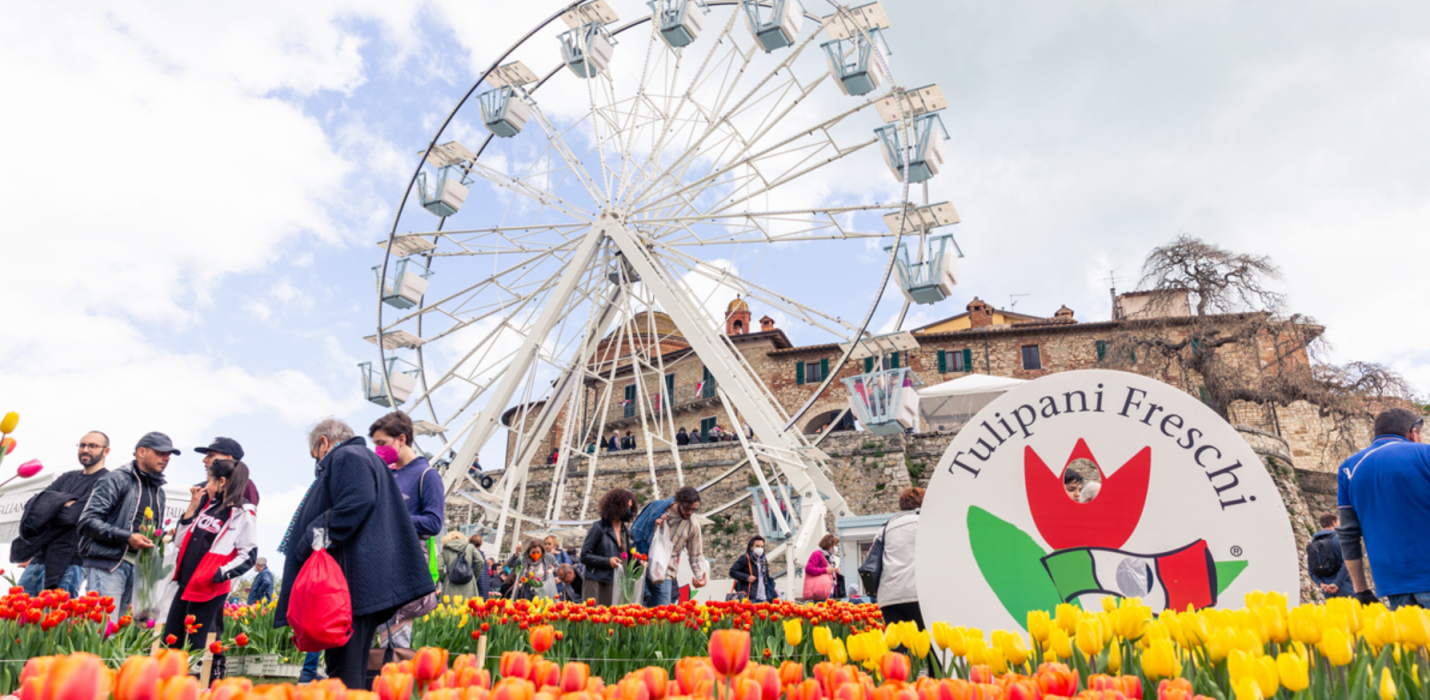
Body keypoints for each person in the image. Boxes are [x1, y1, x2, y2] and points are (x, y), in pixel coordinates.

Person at [275, 418, 435, 691]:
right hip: (360, 583)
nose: (317, 464)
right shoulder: (363, 458)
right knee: (352, 666)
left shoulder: (347, 455)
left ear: (324, 442)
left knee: (343, 670)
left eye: (315, 456)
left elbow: (355, 502)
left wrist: (309, 540)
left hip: (352, 584)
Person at [165, 458, 257, 675]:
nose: (206, 486)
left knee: (194, 645)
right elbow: (179, 541)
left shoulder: (243, 513)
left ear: (222, 482)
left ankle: (191, 689)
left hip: (207, 588)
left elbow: (249, 555)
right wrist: (192, 506)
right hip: (186, 583)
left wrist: (219, 573)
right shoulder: (208, 505)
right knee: (170, 639)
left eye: (210, 481)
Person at [79, 431, 177, 624]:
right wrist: (127, 537)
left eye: (168, 455)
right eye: (160, 453)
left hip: (139, 569)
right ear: (141, 452)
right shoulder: (116, 479)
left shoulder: (159, 491)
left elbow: (148, 531)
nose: (166, 459)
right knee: (102, 630)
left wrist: (164, 536)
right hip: (109, 565)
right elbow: (87, 521)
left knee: (120, 634)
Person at [1337, 408, 1430, 608]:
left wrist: (1361, 589)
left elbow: (1348, 534)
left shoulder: (1348, 468)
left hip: (1392, 584)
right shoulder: (1425, 454)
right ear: (1413, 433)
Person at [15, 431, 111, 596]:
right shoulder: (67, 477)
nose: (85, 449)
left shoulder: (107, 481)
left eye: (92, 446)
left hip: (70, 562)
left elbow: (72, 516)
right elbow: (33, 506)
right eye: (82, 445)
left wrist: (51, 506)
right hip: (37, 559)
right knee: (16, 617)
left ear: (106, 451)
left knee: (55, 619)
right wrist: (62, 503)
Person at [369, 412, 445, 541]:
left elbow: (433, 523)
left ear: (401, 439)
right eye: (375, 444)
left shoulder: (427, 475)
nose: (377, 449)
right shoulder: (383, 475)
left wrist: (390, 518)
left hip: (406, 555)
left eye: (381, 443)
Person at [648, 486, 708, 606]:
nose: (690, 513)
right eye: (687, 509)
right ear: (677, 501)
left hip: (665, 574)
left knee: (662, 617)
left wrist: (700, 577)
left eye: (693, 509)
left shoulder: (693, 525)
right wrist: (653, 527)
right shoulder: (658, 511)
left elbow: (695, 555)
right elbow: (638, 535)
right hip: (642, 569)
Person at [876, 487, 925, 629]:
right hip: (918, 595)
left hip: (890, 597)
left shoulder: (885, 528)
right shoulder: (925, 523)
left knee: (898, 647)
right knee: (925, 646)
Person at [581, 488, 636, 605]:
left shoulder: (628, 533)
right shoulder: (598, 528)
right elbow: (584, 556)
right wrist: (607, 561)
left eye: (630, 508)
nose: (628, 511)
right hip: (597, 582)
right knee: (596, 619)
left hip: (619, 583)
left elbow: (630, 559)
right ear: (614, 506)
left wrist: (639, 563)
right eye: (626, 507)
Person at [1308, 513, 1352, 599]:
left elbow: (1311, 569)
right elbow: (1348, 563)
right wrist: (1336, 584)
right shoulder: (1339, 538)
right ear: (1333, 523)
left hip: (1327, 590)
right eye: (1339, 523)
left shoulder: (1313, 543)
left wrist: (1321, 584)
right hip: (1345, 586)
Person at [730, 536, 778, 602]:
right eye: (757, 546)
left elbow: (766, 577)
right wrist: (747, 577)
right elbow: (732, 571)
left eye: (762, 546)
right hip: (749, 596)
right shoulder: (745, 558)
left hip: (763, 597)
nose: (760, 548)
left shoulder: (763, 560)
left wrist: (772, 590)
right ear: (751, 547)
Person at [438, 530, 482, 601]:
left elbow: (439, 568)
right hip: (469, 583)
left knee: (450, 610)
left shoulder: (445, 549)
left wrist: (444, 580)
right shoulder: (470, 547)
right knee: (469, 608)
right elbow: (480, 561)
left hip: (450, 584)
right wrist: (474, 575)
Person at [803, 534, 839, 602]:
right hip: (820, 590)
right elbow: (808, 569)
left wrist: (836, 572)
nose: (836, 546)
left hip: (829, 590)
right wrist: (825, 570)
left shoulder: (831, 557)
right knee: (821, 611)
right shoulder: (817, 554)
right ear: (829, 544)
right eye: (835, 544)